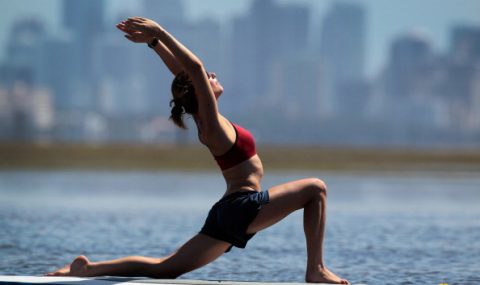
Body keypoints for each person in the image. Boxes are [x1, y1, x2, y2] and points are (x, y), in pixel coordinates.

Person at [46, 17, 349, 284]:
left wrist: (154, 43)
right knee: (316, 189)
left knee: (167, 269)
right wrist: (161, 32)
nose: (212, 76)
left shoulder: (207, 120)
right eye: (208, 80)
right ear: (200, 90)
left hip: (228, 211)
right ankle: (316, 269)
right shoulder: (212, 124)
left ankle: (87, 270)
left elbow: (186, 74)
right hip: (242, 206)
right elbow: (194, 68)